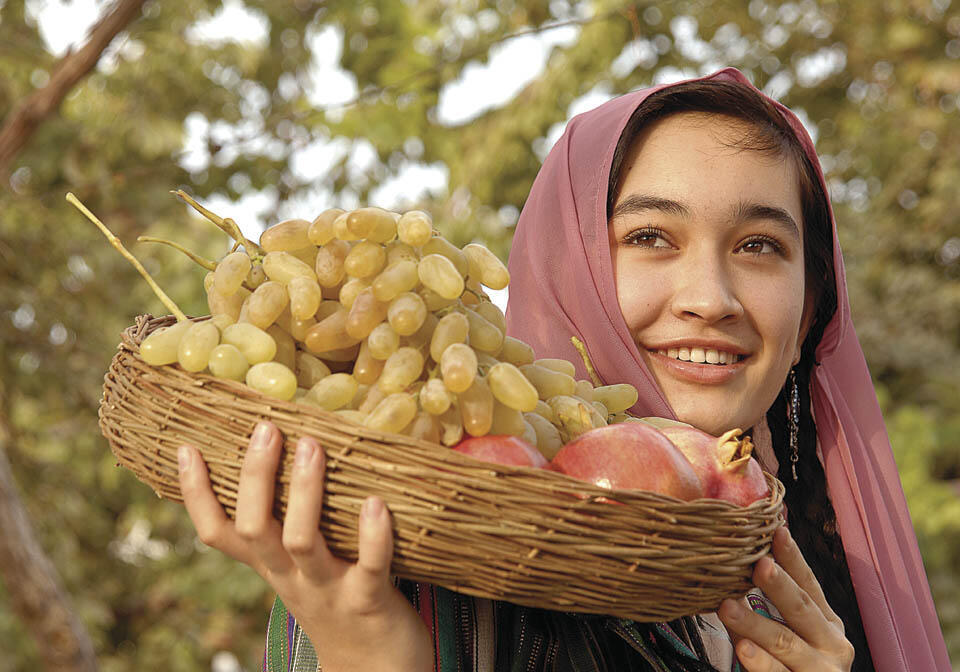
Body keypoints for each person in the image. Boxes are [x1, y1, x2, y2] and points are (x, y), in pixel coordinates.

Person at [175, 68, 951, 671]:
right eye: (650, 236)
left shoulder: (810, 585)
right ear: (564, 266)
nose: (710, 299)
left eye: (758, 246)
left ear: (813, 303)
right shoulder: (411, 554)